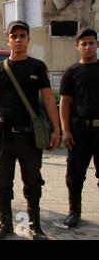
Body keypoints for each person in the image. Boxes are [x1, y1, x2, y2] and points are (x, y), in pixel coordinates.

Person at [0, 21, 60, 240]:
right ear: (7, 40)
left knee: (33, 183)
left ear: (28, 39)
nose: (18, 39)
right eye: (14, 36)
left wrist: (56, 131)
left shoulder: (37, 67)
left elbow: (47, 99)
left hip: (30, 137)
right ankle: (5, 223)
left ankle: (35, 225)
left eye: (22, 35)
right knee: (3, 183)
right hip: (4, 136)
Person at [59, 27, 99, 228]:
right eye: (84, 43)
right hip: (78, 131)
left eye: (91, 42)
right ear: (77, 46)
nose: (88, 46)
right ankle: (74, 212)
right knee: (74, 176)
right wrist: (65, 131)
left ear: (97, 45)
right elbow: (65, 103)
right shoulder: (71, 72)